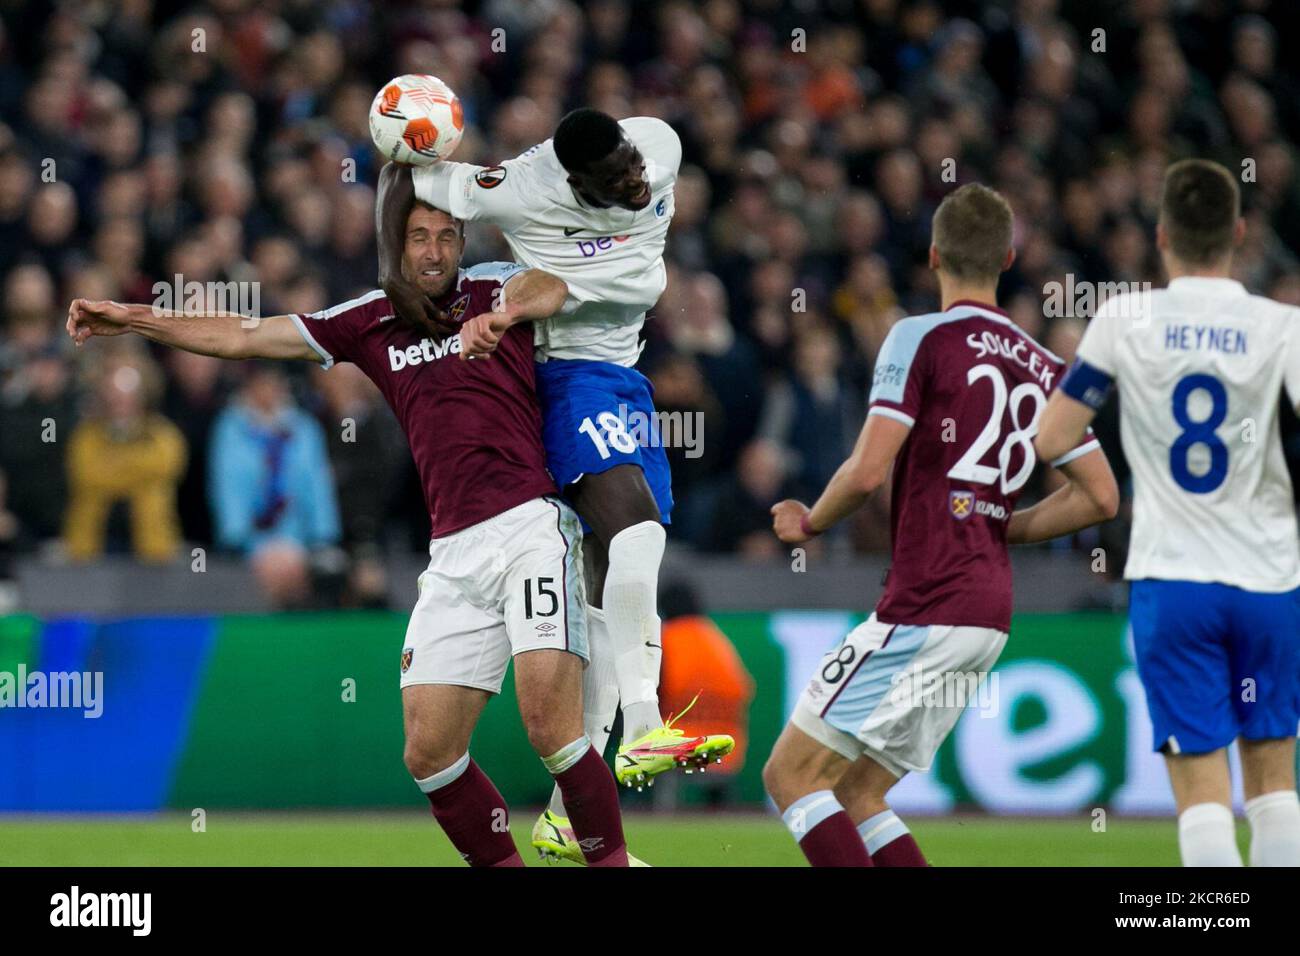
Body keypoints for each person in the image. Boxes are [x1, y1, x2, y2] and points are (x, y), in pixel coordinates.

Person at [66, 201, 632, 867]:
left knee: (550, 728)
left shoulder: (491, 287)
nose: (434, 251)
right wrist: (135, 319)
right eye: (419, 237)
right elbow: (247, 335)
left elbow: (552, 286)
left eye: (446, 237)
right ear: (396, 247)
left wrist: (504, 316)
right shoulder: (369, 320)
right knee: (430, 756)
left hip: (532, 528)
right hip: (453, 552)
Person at [376, 108, 733, 862]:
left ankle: (574, 812)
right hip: (566, 380)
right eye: (614, 183)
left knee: (611, 581)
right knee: (634, 536)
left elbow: (640, 204)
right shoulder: (519, 189)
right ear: (574, 183)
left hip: (626, 377)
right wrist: (391, 270)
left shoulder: (660, 144)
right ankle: (642, 727)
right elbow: (404, 173)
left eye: (635, 170)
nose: (636, 185)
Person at [764, 184, 1119, 867]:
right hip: (987, 613)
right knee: (862, 795)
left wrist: (810, 521)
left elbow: (868, 472)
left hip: (926, 603)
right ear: (1008, 257)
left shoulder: (919, 337)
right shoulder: (1046, 368)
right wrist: (1000, 525)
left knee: (791, 777)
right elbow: (1100, 498)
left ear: (932, 255)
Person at [1036, 158, 1300, 867]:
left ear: (1162, 235)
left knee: (1202, 791)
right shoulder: (1283, 325)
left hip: (1173, 578)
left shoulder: (1125, 318)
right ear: (1239, 233)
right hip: (1271, 579)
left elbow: (1052, 438)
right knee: (1276, 783)